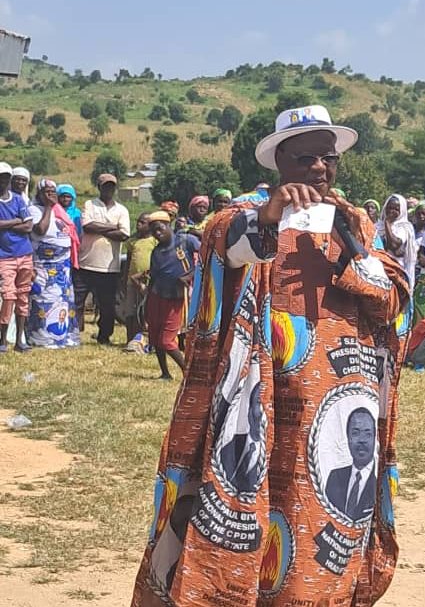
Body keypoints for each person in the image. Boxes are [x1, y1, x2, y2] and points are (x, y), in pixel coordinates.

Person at [132, 104, 408, 607]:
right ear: (279, 160)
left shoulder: (355, 222)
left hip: (337, 406)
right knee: (254, 509)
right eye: (306, 158)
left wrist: (354, 253)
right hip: (262, 402)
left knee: (318, 518)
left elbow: (392, 300)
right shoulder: (245, 214)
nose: (320, 168)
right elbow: (226, 245)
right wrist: (266, 219)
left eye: (329, 158)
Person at [74, 173, 130, 345]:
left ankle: (104, 336)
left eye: (111, 186)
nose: (109, 189)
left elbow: (124, 234)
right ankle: (73, 334)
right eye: (105, 186)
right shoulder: (90, 204)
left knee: (107, 306)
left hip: (109, 266)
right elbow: (87, 226)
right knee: (77, 302)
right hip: (86, 263)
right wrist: (112, 227)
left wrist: (100, 228)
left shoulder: (122, 210)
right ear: (99, 187)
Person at [145, 211, 200, 380]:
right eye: (154, 231)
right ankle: (165, 373)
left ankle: (188, 373)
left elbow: (206, 258)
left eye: (160, 228)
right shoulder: (156, 252)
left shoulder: (186, 241)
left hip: (176, 298)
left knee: (166, 340)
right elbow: (153, 277)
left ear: (168, 225)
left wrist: (190, 276)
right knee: (155, 337)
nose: (157, 233)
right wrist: (146, 301)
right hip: (157, 296)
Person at [27, 178, 80, 349]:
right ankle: (42, 338)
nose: (51, 195)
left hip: (62, 266)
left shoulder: (60, 211)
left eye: (53, 192)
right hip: (44, 265)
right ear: (39, 194)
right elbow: (40, 230)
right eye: (46, 192)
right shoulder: (34, 209)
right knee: (44, 300)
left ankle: (63, 337)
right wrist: (49, 207)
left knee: (63, 301)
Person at [0, 162, 34, 352]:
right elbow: (22, 223)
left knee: (23, 295)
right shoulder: (17, 204)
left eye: (6, 177)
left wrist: (5, 224)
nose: (3, 180)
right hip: (4, 256)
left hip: (24, 253)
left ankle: (20, 340)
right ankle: (3, 340)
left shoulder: (19, 199)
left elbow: (28, 226)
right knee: (8, 296)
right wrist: (15, 221)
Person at [325, 408, 377, 522]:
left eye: (368, 434)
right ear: (348, 438)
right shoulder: (334, 478)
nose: (362, 440)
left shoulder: (380, 480)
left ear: (375, 438)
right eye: (355, 433)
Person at [122, 212, 156, 350]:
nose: (138, 225)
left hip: (147, 282)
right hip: (132, 281)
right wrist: (125, 279)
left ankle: (144, 339)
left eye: (143, 222)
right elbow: (129, 260)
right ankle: (130, 339)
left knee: (144, 311)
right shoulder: (132, 241)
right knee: (130, 311)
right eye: (138, 221)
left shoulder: (154, 241)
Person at [377, 194, 417, 291]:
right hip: (378, 269)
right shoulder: (378, 226)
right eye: (389, 208)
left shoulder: (404, 227)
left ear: (402, 210)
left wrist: (387, 223)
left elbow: (394, 245)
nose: (392, 211)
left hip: (397, 270)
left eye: (396, 209)